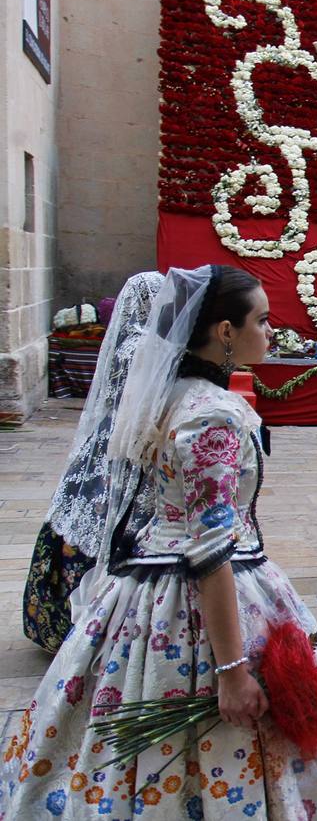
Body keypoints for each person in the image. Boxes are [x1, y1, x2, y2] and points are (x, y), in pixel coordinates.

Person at [0, 265, 317, 818]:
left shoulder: (167, 396)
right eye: (263, 321)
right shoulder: (214, 417)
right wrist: (232, 673)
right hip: (202, 602)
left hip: (144, 590)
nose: (271, 333)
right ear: (225, 331)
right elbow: (210, 549)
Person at [23, 271, 162, 653]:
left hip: (107, 440)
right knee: (114, 520)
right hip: (130, 446)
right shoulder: (145, 347)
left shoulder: (126, 342)